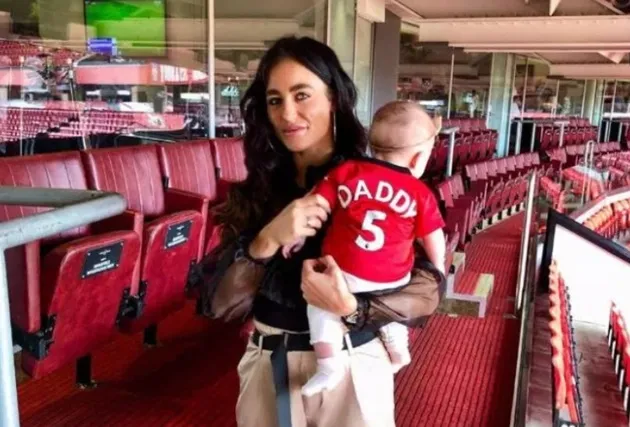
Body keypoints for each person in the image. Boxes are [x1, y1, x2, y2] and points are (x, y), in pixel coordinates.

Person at [200, 36, 446, 427]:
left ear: (333, 98)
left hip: (354, 360)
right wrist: (267, 240)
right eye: (275, 99)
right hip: (270, 361)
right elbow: (218, 306)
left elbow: (429, 289)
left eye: (302, 95)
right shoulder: (257, 191)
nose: (288, 113)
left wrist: (351, 307)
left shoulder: (374, 180)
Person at [280, 101, 446, 397]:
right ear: (418, 158)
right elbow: (433, 237)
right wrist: (438, 269)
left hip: (342, 271)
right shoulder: (420, 192)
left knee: (321, 306)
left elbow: (315, 203)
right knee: (388, 307)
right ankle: (398, 348)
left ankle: (329, 365)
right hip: (394, 277)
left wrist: (299, 236)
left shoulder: (347, 170)